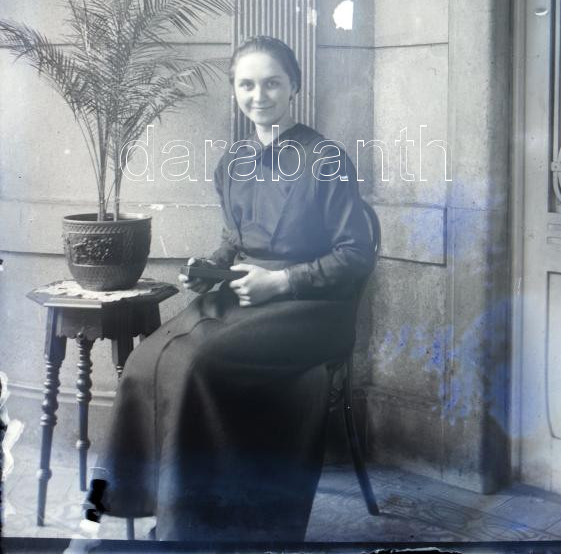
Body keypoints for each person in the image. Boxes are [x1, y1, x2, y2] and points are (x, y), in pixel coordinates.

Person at [80, 35, 376, 543]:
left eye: (272, 83)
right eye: (247, 85)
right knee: (147, 359)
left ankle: (197, 523)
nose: (259, 96)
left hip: (312, 307)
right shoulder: (234, 162)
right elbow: (233, 243)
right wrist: (208, 269)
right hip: (244, 295)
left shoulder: (325, 157)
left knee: (196, 362)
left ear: (294, 86)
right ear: (235, 90)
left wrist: (282, 280)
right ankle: (157, 506)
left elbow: (355, 255)